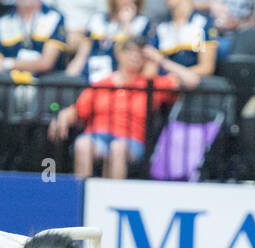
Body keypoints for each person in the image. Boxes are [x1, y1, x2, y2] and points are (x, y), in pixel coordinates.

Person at [49, 38, 199, 177]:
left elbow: (192, 81)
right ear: (119, 54)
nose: (134, 57)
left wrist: (161, 60)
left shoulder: (150, 85)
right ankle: (82, 196)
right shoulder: (102, 84)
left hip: (130, 141)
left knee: (117, 148)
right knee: (83, 144)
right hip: (97, 136)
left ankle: (111, 198)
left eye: (139, 54)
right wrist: (62, 118)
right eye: (130, 51)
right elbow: (77, 110)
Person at [67, 0, 151, 84]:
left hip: (118, 79)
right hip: (90, 73)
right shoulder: (97, 19)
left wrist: (127, 24)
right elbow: (83, 52)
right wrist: (70, 74)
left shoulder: (142, 23)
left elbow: (130, 52)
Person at [0, 0, 70, 74]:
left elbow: (47, 63)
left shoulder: (55, 17)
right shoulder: (2, 22)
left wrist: (8, 63)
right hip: (10, 84)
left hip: (46, 84)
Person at [148, 0, 218, 76]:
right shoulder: (160, 25)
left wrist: (178, 76)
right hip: (163, 81)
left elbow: (207, 67)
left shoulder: (204, 22)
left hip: (192, 82)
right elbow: (151, 64)